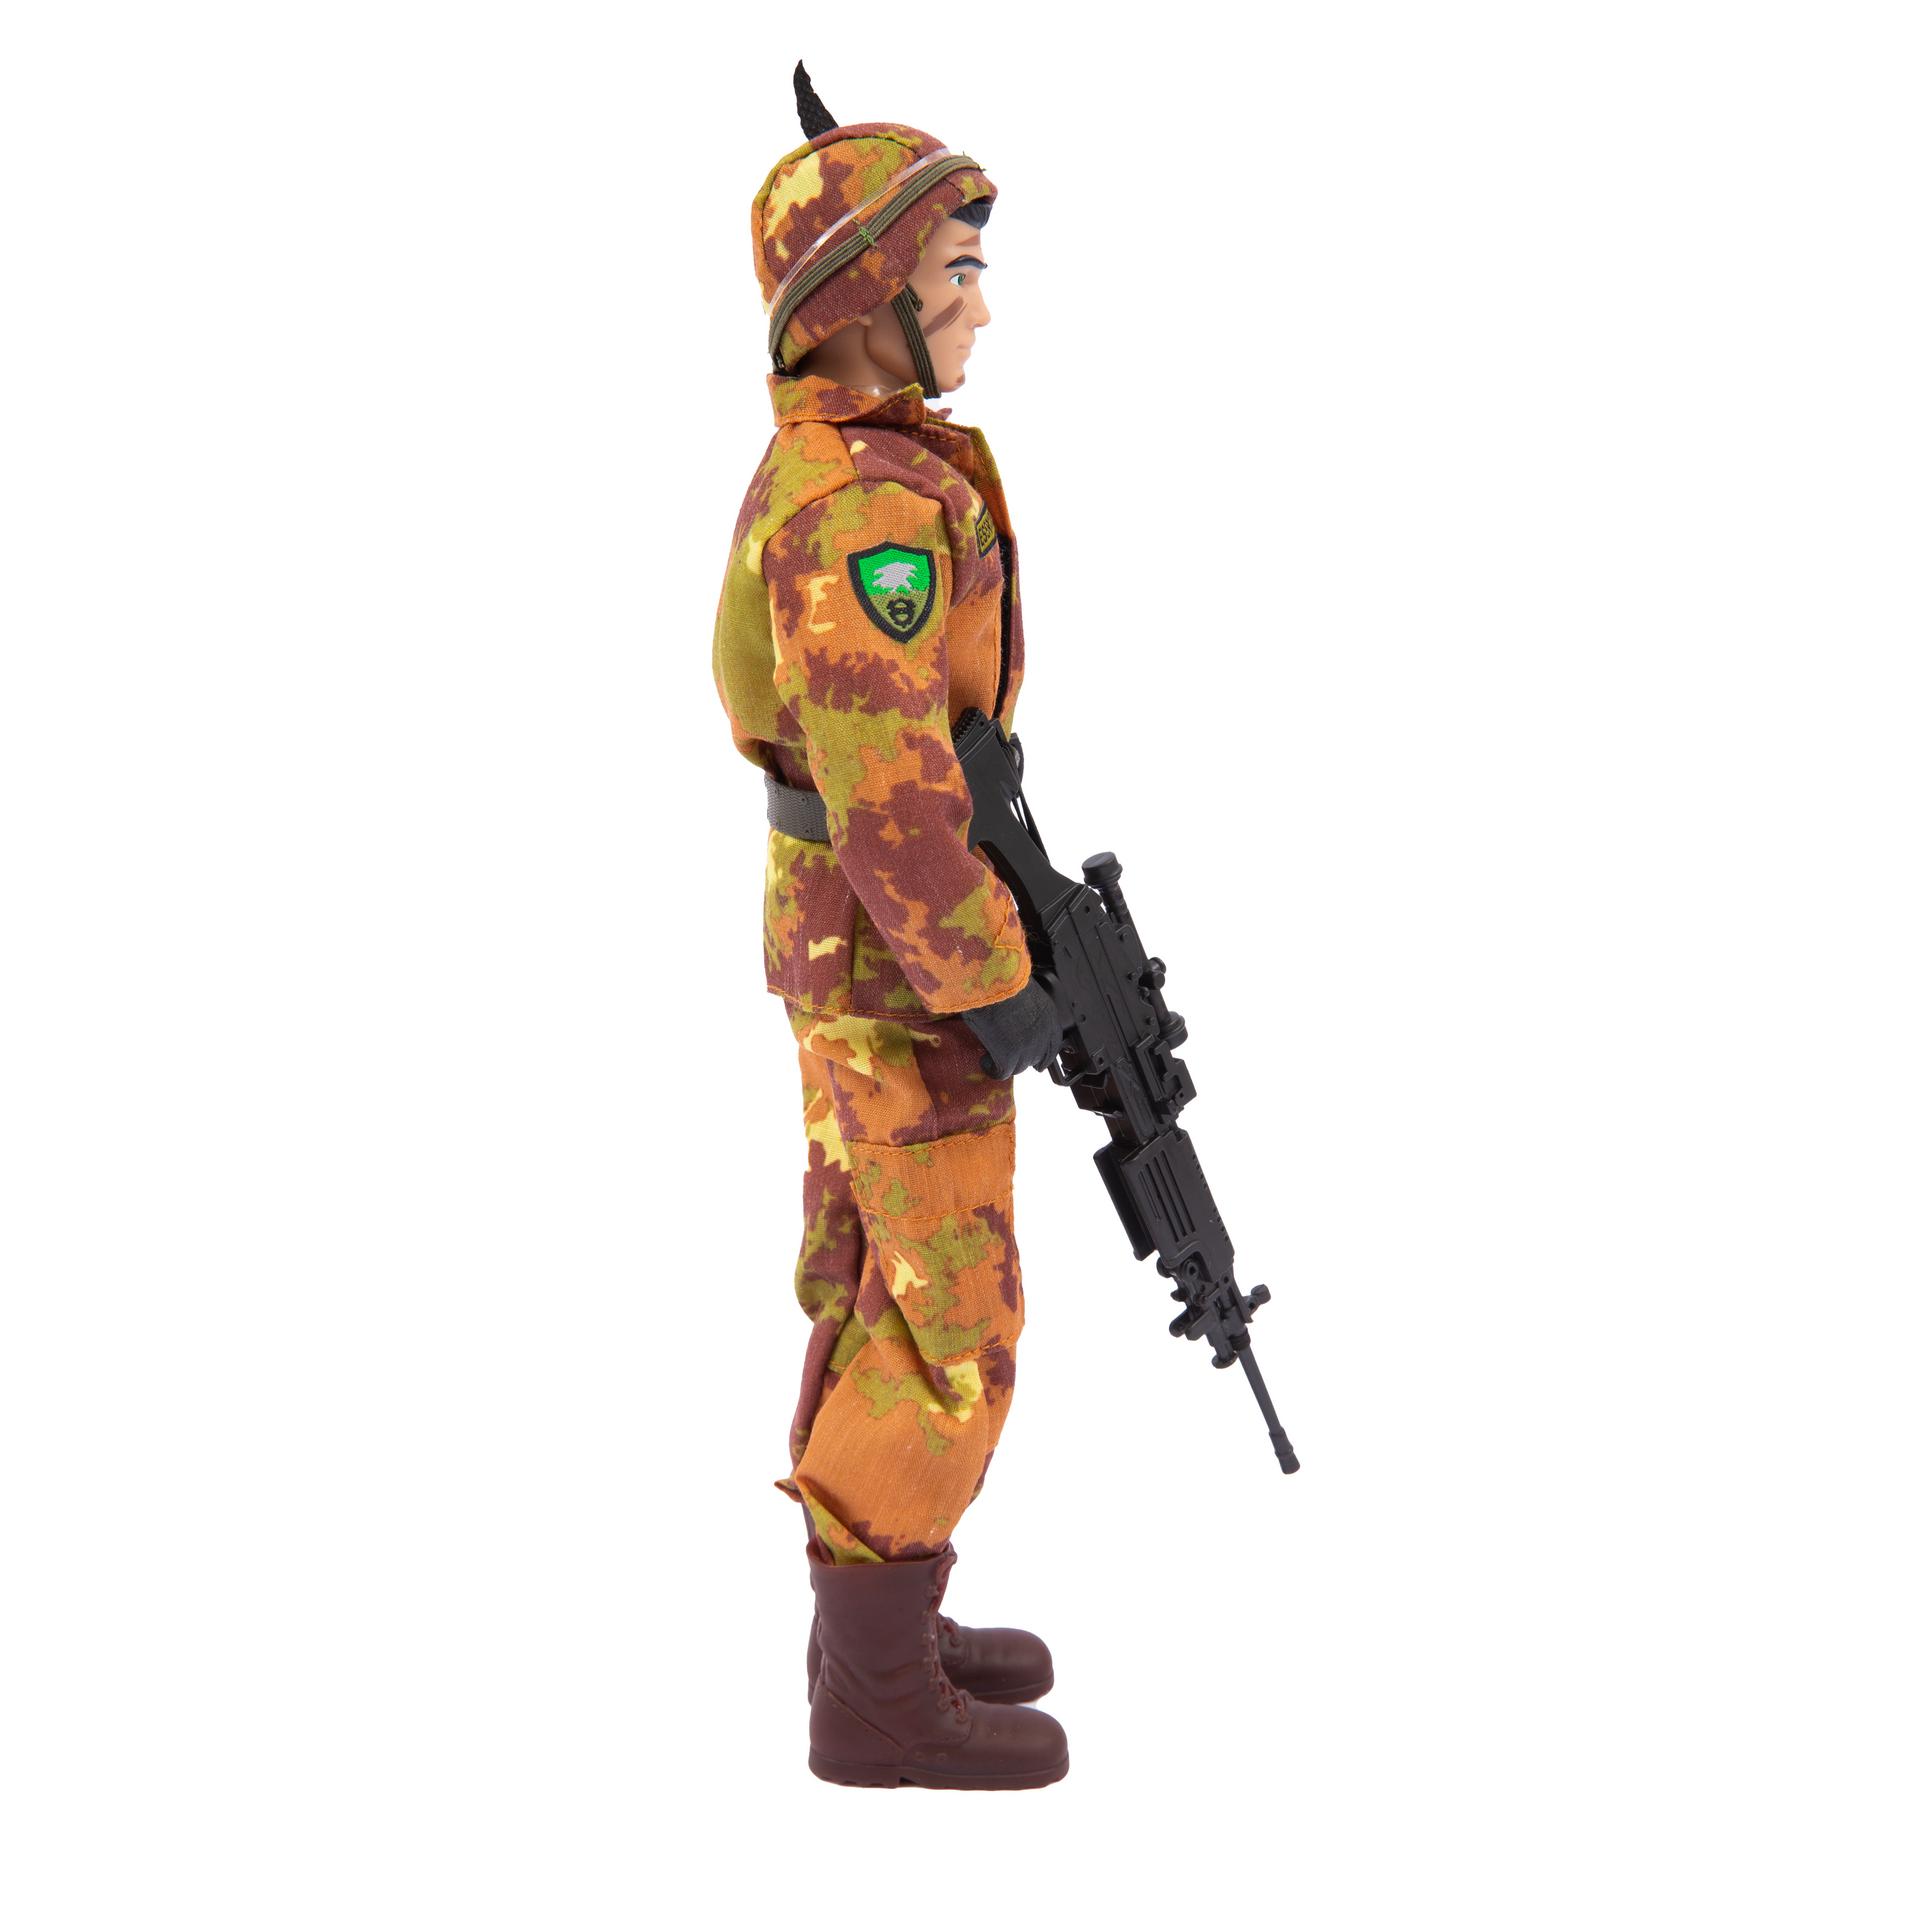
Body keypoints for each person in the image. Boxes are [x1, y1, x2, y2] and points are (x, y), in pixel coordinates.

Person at [710, 64, 1069, 1790]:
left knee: (882, 1283)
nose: (980, 304)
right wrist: (1002, 983)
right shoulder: (863, 508)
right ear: (866, 304)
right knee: (946, 1310)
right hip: (901, 962)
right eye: (954, 274)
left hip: (872, 955)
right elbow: (892, 793)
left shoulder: (875, 471)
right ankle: (873, 1703)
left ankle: (883, 1625)